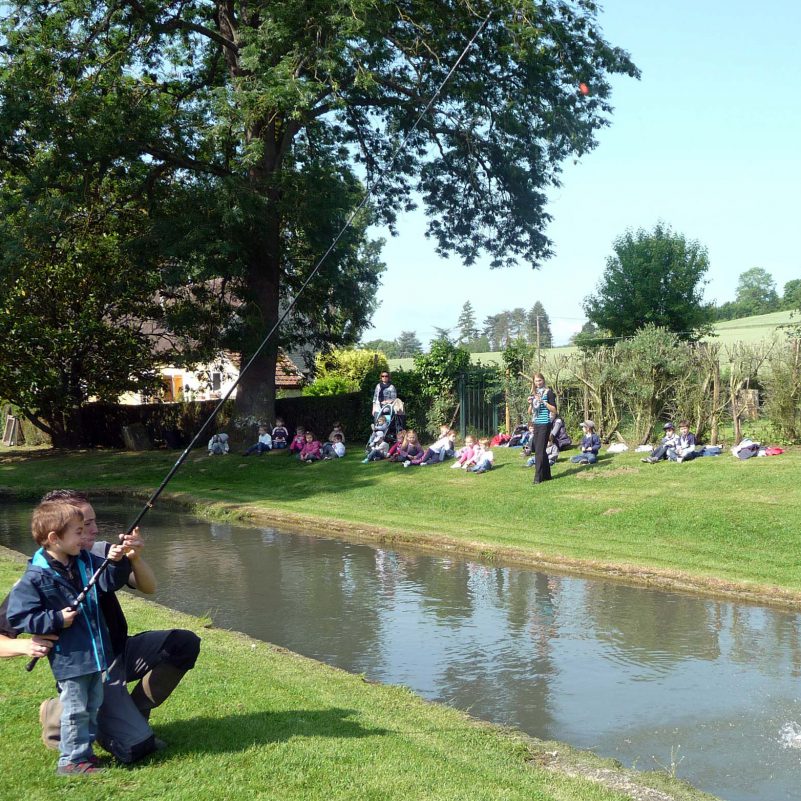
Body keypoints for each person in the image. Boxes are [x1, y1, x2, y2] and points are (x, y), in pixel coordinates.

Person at [0, 490, 201, 764]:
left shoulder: (98, 555)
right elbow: (10, 628)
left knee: (183, 643)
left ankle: (134, 711)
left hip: (118, 651)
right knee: (136, 748)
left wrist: (133, 557)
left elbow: (150, 587)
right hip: (87, 664)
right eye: (83, 526)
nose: (93, 531)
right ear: (57, 534)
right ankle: (59, 716)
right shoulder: (39, 576)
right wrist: (26, 645)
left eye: (92, 523)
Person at [7, 501, 130, 775]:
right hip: (70, 659)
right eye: (77, 532)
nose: (83, 537)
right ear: (54, 538)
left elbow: (109, 581)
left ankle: (84, 753)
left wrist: (119, 561)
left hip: (96, 653)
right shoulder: (36, 576)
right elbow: (18, 616)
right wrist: (56, 619)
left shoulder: (83, 561)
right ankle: (71, 761)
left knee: (92, 705)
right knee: (75, 710)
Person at [528, 373, 558, 484]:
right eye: (536, 381)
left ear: (543, 380)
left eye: (540, 380)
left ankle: (538, 477)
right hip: (536, 423)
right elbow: (529, 412)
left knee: (539, 452)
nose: (538, 383)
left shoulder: (548, 392)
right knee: (540, 449)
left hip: (545, 424)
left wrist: (543, 401)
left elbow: (554, 409)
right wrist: (531, 403)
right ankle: (547, 475)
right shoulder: (534, 393)